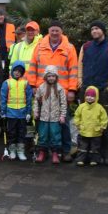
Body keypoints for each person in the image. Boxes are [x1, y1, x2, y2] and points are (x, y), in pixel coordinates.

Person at [27, 20, 78, 160]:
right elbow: (32, 67)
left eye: (57, 30)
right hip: (42, 91)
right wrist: (32, 86)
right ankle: (44, 150)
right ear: (48, 31)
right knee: (42, 122)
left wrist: (72, 89)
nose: (54, 33)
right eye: (52, 30)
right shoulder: (39, 47)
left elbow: (73, 70)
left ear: (61, 32)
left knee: (63, 122)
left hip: (62, 92)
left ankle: (65, 151)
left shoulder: (69, 48)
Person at [77, 20, 108, 161]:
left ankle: (106, 152)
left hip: (103, 91)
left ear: (103, 31)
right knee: (86, 120)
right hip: (87, 90)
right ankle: (86, 152)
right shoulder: (86, 47)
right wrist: (80, 83)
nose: (94, 31)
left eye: (97, 28)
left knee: (104, 122)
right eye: (92, 29)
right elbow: (80, 66)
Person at [33, 65, 68, 164]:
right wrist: (36, 112)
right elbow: (36, 101)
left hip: (55, 118)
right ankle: (42, 152)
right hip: (43, 117)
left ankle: (55, 153)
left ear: (56, 77)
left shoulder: (60, 88)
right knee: (43, 135)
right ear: (45, 77)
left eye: (53, 76)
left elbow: (63, 103)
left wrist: (62, 115)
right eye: (49, 76)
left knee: (55, 135)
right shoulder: (41, 87)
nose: (51, 78)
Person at [0, 61, 33, 161]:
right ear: (12, 71)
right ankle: (12, 150)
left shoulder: (25, 83)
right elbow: (3, 98)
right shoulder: (7, 83)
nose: (17, 73)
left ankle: (20, 151)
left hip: (22, 114)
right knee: (12, 132)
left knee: (22, 132)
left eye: (19, 71)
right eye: (15, 70)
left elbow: (29, 99)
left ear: (22, 73)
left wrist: (28, 112)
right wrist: (3, 111)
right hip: (11, 113)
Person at [72, 86, 108, 166]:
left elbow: (104, 118)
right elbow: (77, 116)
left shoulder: (99, 107)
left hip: (96, 132)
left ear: (96, 97)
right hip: (83, 131)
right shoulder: (81, 106)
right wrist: (77, 124)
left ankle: (94, 160)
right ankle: (81, 159)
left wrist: (102, 127)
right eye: (88, 96)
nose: (90, 98)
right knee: (82, 147)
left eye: (92, 96)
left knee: (95, 148)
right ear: (85, 96)